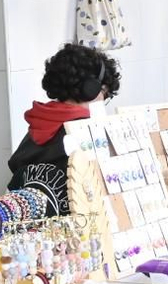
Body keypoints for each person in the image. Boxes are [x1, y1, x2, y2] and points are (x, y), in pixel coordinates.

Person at [7, 44, 122, 202]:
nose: (103, 100)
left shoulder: (41, 119)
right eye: (104, 93)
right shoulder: (87, 131)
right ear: (91, 89)